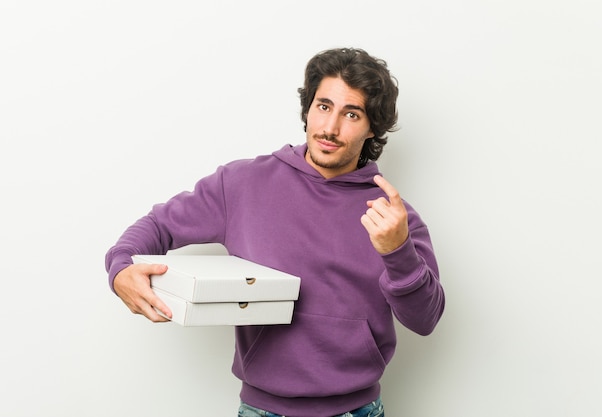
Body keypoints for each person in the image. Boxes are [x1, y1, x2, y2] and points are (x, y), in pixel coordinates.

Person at [105, 47, 445, 417]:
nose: (330, 128)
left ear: (373, 127)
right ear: (308, 109)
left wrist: (397, 252)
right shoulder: (243, 183)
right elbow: (158, 226)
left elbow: (425, 320)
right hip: (263, 409)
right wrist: (121, 268)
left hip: (358, 410)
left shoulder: (392, 216)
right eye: (323, 106)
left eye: (351, 114)